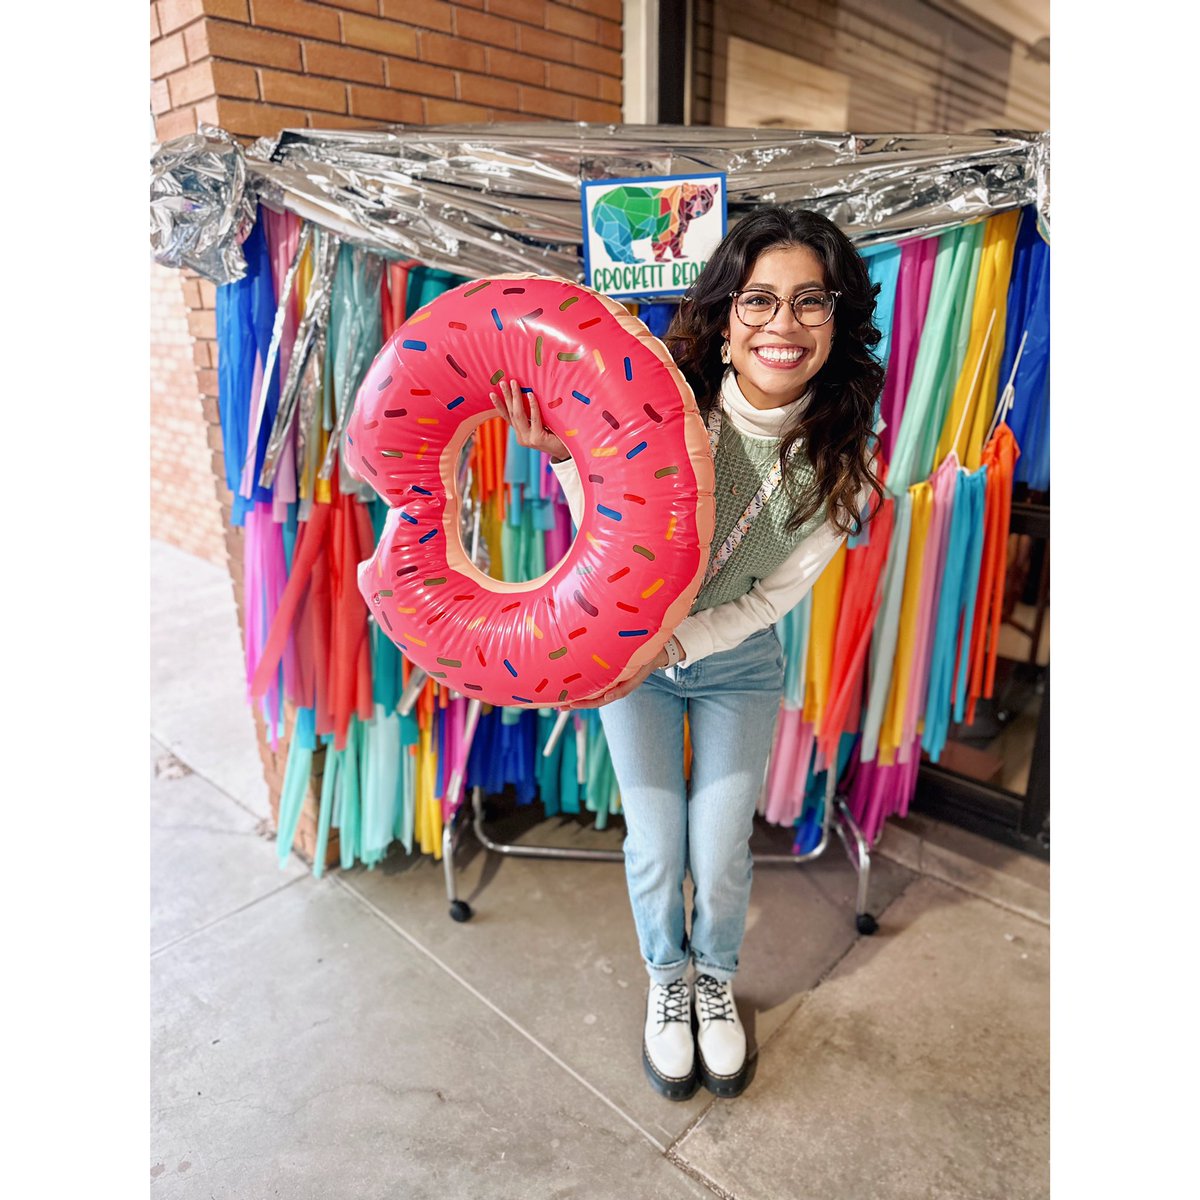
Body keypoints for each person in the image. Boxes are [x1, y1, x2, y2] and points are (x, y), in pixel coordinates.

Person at [489, 206, 884, 1101]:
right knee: (658, 847)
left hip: (736, 664)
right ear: (728, 313)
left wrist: (680, 639)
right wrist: (560, 458)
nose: (783, 324)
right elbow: (609, 522)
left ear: (837, 318)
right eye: (760, 300)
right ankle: (668, 983)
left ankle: (715, 981)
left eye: (809, 301)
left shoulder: (841, 447)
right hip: (634, 663)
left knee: (721, 850)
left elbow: (778, 592)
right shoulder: (668, 397)